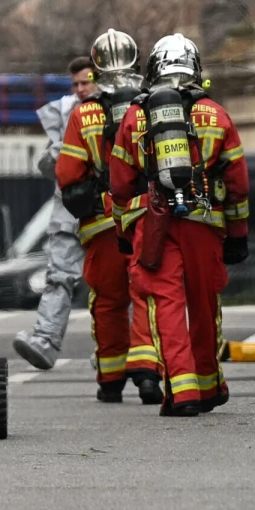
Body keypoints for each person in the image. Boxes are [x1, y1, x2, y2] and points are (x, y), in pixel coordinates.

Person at [109, 33, 250, 417]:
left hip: (152, 224)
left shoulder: (135, 116)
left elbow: (120, 183)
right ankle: (208, 385)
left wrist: (124, 234)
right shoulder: (217, 115)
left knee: (165, 306)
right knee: (203, 304)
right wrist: (238, 236)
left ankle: (182, 392)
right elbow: (237, 183)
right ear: (195, 68)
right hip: (204, 223)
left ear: (153, 69)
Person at [54, 32, 162, 405]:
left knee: (108, 300)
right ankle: (148, 374)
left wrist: (99, 199)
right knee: (147, 294)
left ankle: (111, 378)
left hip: (102, 223)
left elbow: (68, 178)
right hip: (148, 217)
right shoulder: (152, 105)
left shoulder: (84, 115)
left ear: (95, 69)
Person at [12, 58, 98, 369]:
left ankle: (115, 352)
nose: (80, 89)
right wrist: (55, 155)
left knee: (113, 284)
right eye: (75, 84)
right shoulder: (64, 111)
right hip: (70, 208)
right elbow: (50, 168)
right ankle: (45, 340)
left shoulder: (113, 107)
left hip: (105, 210)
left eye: (86, 82)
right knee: (58, 276)